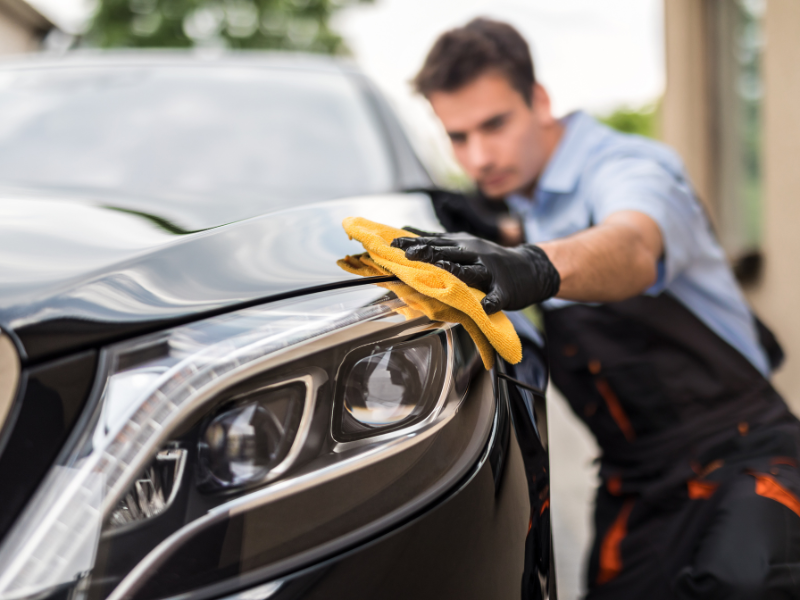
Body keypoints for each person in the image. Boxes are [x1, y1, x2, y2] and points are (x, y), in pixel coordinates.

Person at [393, 18, 800, 599]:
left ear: (538, 99)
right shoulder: (526, 200)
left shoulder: (629, 167)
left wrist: (533, 265)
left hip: (743, 458)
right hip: (636, 488)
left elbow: (631, 244)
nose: (479, 157)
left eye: (495, 125)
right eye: (458, 137)